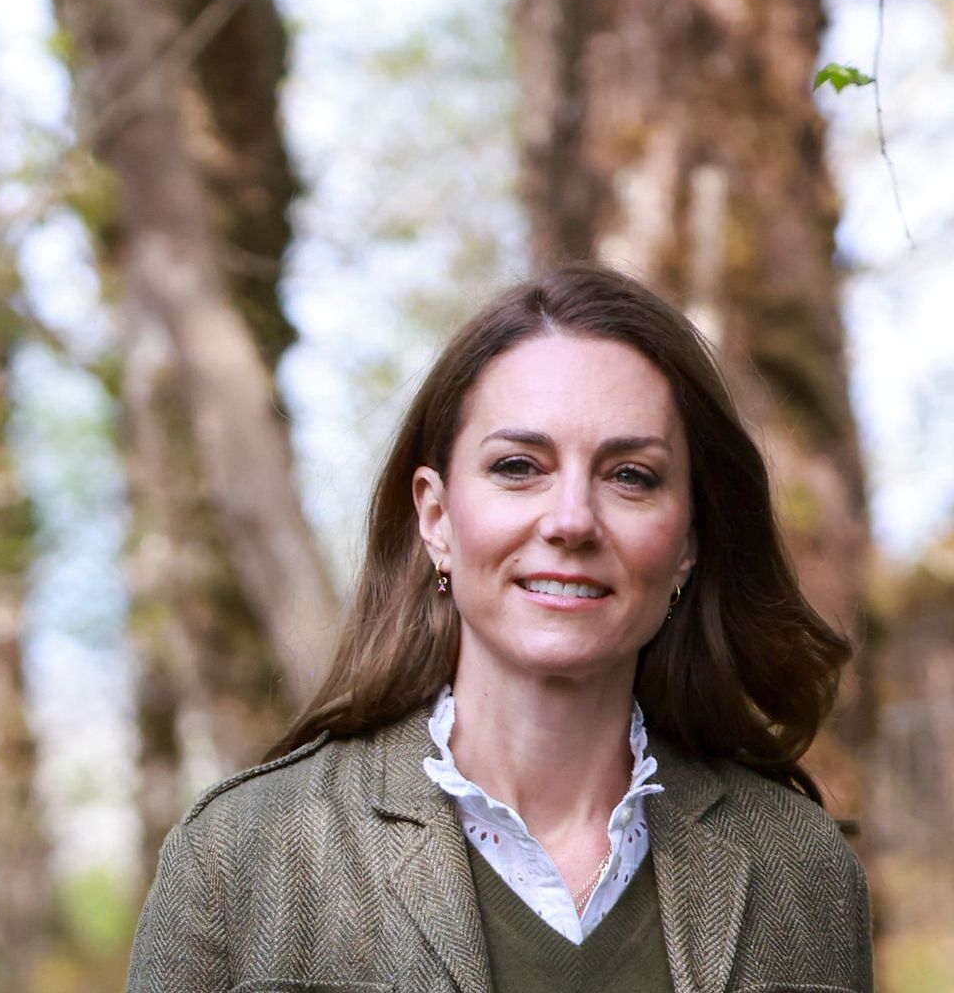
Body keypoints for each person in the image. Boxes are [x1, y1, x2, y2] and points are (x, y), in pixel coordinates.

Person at [128, 263, 870, 992]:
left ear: (689, 542)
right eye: (518, 466)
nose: (571, 520)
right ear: (437, 517)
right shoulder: (240, 856)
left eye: (630, 476)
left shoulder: (801, 869)